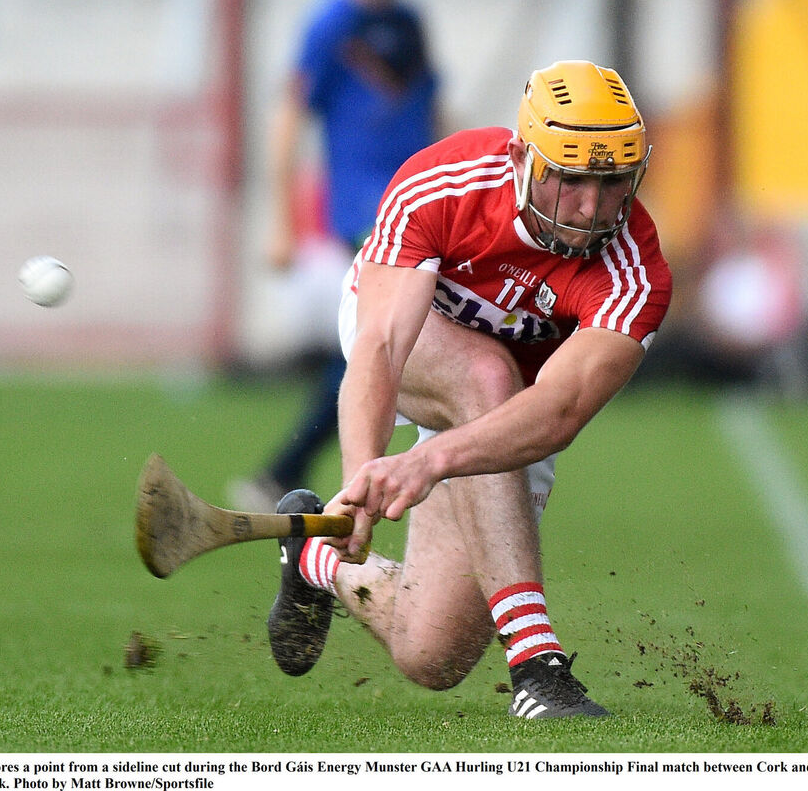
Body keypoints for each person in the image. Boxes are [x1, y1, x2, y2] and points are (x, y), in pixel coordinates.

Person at [267, 60, 673, 718]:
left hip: (517, 409)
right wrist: (360, 483)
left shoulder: (636, 275)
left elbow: (559, 408)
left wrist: (433, 459)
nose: (591, 207)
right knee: (487, 375)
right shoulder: (440, 184)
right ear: (522, 158)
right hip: (407, 338)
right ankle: (538, 667)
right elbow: (380, 347)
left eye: (612, 182)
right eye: (568, 179)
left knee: (433, 654)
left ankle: (314, 559)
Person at [230, 0, 442, 513]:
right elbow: (290, 114)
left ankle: (287, 472)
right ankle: (306, 471)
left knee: (377, 341)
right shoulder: (332, 24)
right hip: (366, 208)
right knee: (384, 335)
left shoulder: (408, 24)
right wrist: (279, 224)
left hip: (419, 199)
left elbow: (428, 109)